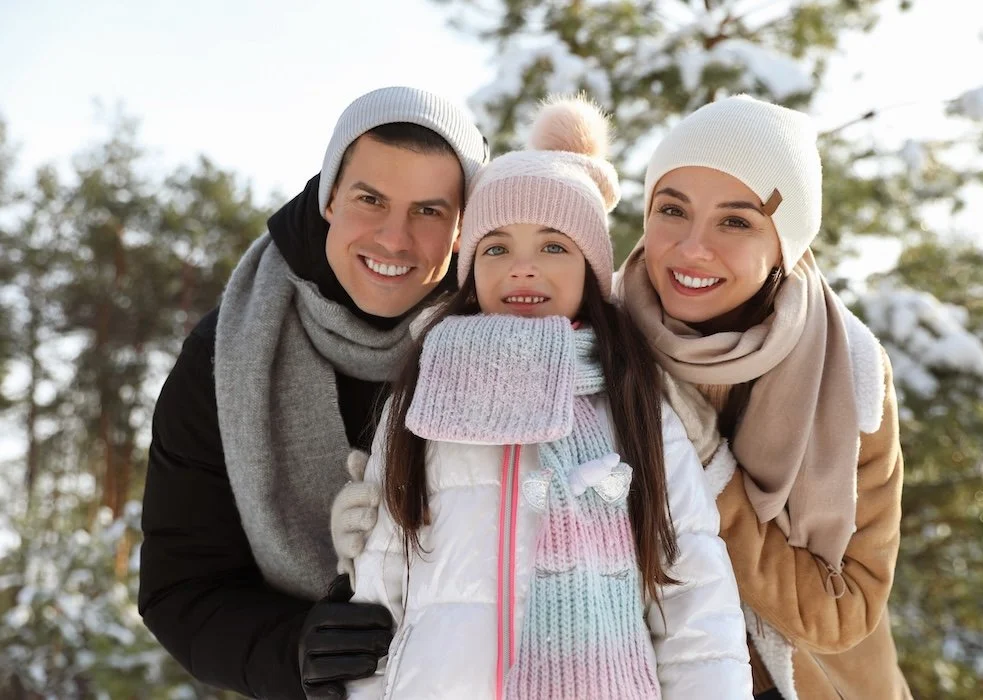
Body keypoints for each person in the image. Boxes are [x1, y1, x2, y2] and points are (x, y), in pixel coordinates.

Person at [335, 96, 752, 700]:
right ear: (471, 267)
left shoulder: (633, 399)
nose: (522, 269)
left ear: (591, 267)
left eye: (554, 246)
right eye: (497, 247)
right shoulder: (423, 394)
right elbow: (381, 579)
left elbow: (693, 594)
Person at [138, 86, 488, 699]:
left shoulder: (511, 337)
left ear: (463, 229)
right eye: (370, 199)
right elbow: (180, 588)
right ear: (329, 197)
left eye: (429, 211)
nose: (393, 239)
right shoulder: (226, 356)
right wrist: (290, 647)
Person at [617, 95, 912, 699]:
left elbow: (844, 612)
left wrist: (704, 468)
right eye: (672, 209)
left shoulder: (849, 372)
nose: (692, 248)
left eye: (736, 221)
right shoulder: (596, 341)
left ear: (786, 242)